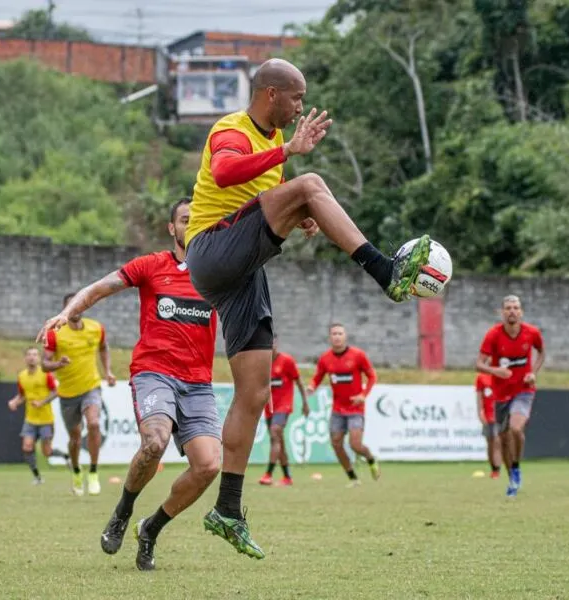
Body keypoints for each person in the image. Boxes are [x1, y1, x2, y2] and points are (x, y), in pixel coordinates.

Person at [183, 58, 430, 558]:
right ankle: (385, 270)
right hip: (210, 251)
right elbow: (228, 172)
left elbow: (262, 200)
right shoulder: (231, 129)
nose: (300, 107)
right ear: (271, 94)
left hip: (240, 271)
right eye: (296, 98)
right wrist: (297, 176)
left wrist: (300, 215)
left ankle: (227, 509)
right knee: (312, 181)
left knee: (253, 395)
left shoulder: (274, 143)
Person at [37, 197, 221, 572]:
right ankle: (123, 510)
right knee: (155, 441)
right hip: (154, 372)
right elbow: (101, 288)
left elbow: (261, 242)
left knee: (209, 466)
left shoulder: (218, 273)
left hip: (199, 383)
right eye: (185, 219)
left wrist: (300, 219)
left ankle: (151, 529)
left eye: (197, 219)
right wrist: (68, 312)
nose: (191, 224)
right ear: (172, 228)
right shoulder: (152, 266)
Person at [41, 293, 117, 496]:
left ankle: (93, 472)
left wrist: (107, 371)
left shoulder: (95, 328)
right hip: (67, 394)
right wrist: (57, 363)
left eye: (78, 306)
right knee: (74, 439)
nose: (76, 310)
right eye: (71, 307)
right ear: (65, 310)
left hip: (91, 387)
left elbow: (104, 348)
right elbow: (44, 364)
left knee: (93, 424)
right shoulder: (55, 333)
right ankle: (76, 472)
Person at [476, 295, 545, 497]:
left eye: (516, 307)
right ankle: (512, 479)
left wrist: (533, 372)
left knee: (516, 427)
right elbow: (478, 364)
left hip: (524, 390)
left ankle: (516, 468)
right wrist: (496, 371)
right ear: (502, 312)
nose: (512, 311)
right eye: (508, 308)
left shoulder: (532, 333)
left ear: (521, 311)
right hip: (501, 394)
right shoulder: (493, 335)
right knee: (504, 439)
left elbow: (541, 352)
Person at [306, 323, 380, 487]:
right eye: (334, 334)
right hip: (338, 409)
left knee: (355, 445)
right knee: (336, 444)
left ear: (345, 336)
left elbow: (372, 376)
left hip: (355, 408)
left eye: (340, 333)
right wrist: (312, 386)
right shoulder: (325, 359)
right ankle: (353, 478)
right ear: (330, 337)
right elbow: (318, 377)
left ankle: (370, 459)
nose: (337, 336)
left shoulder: (358, 355)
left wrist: (363, 395)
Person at [259, 335, 309, 486]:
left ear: (276, 343)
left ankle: (268, 474)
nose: (270, 344)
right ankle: (287, 477)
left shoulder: (287, 361)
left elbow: (299, 382)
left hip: (284, 406)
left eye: (272, 341)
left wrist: (305, 403)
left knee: (275, 433)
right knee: (278, 440)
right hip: (269, 408)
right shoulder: (262, 363)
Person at [7, 347, 58, 484]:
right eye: (29, 355)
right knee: (27, 447)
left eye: (35, 355)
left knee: (47, 452)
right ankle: (37, 477)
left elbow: (56, 391)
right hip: (30, 419)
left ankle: (67, 457)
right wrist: (15, 402)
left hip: (46, 419)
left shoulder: (45, 374)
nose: (32, 357)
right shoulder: (22, 376)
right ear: (25, 358)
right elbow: (22, 395)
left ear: (39, 358)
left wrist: (42, 402)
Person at [475, 371, 502, 479]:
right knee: (490, 443)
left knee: (497, 441)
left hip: (500, 415)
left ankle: (497, 470)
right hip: (488, 416)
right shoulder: (482, 377)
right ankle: (494, 469)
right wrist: (480, 412)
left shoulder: (504, 374)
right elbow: (479, 397)